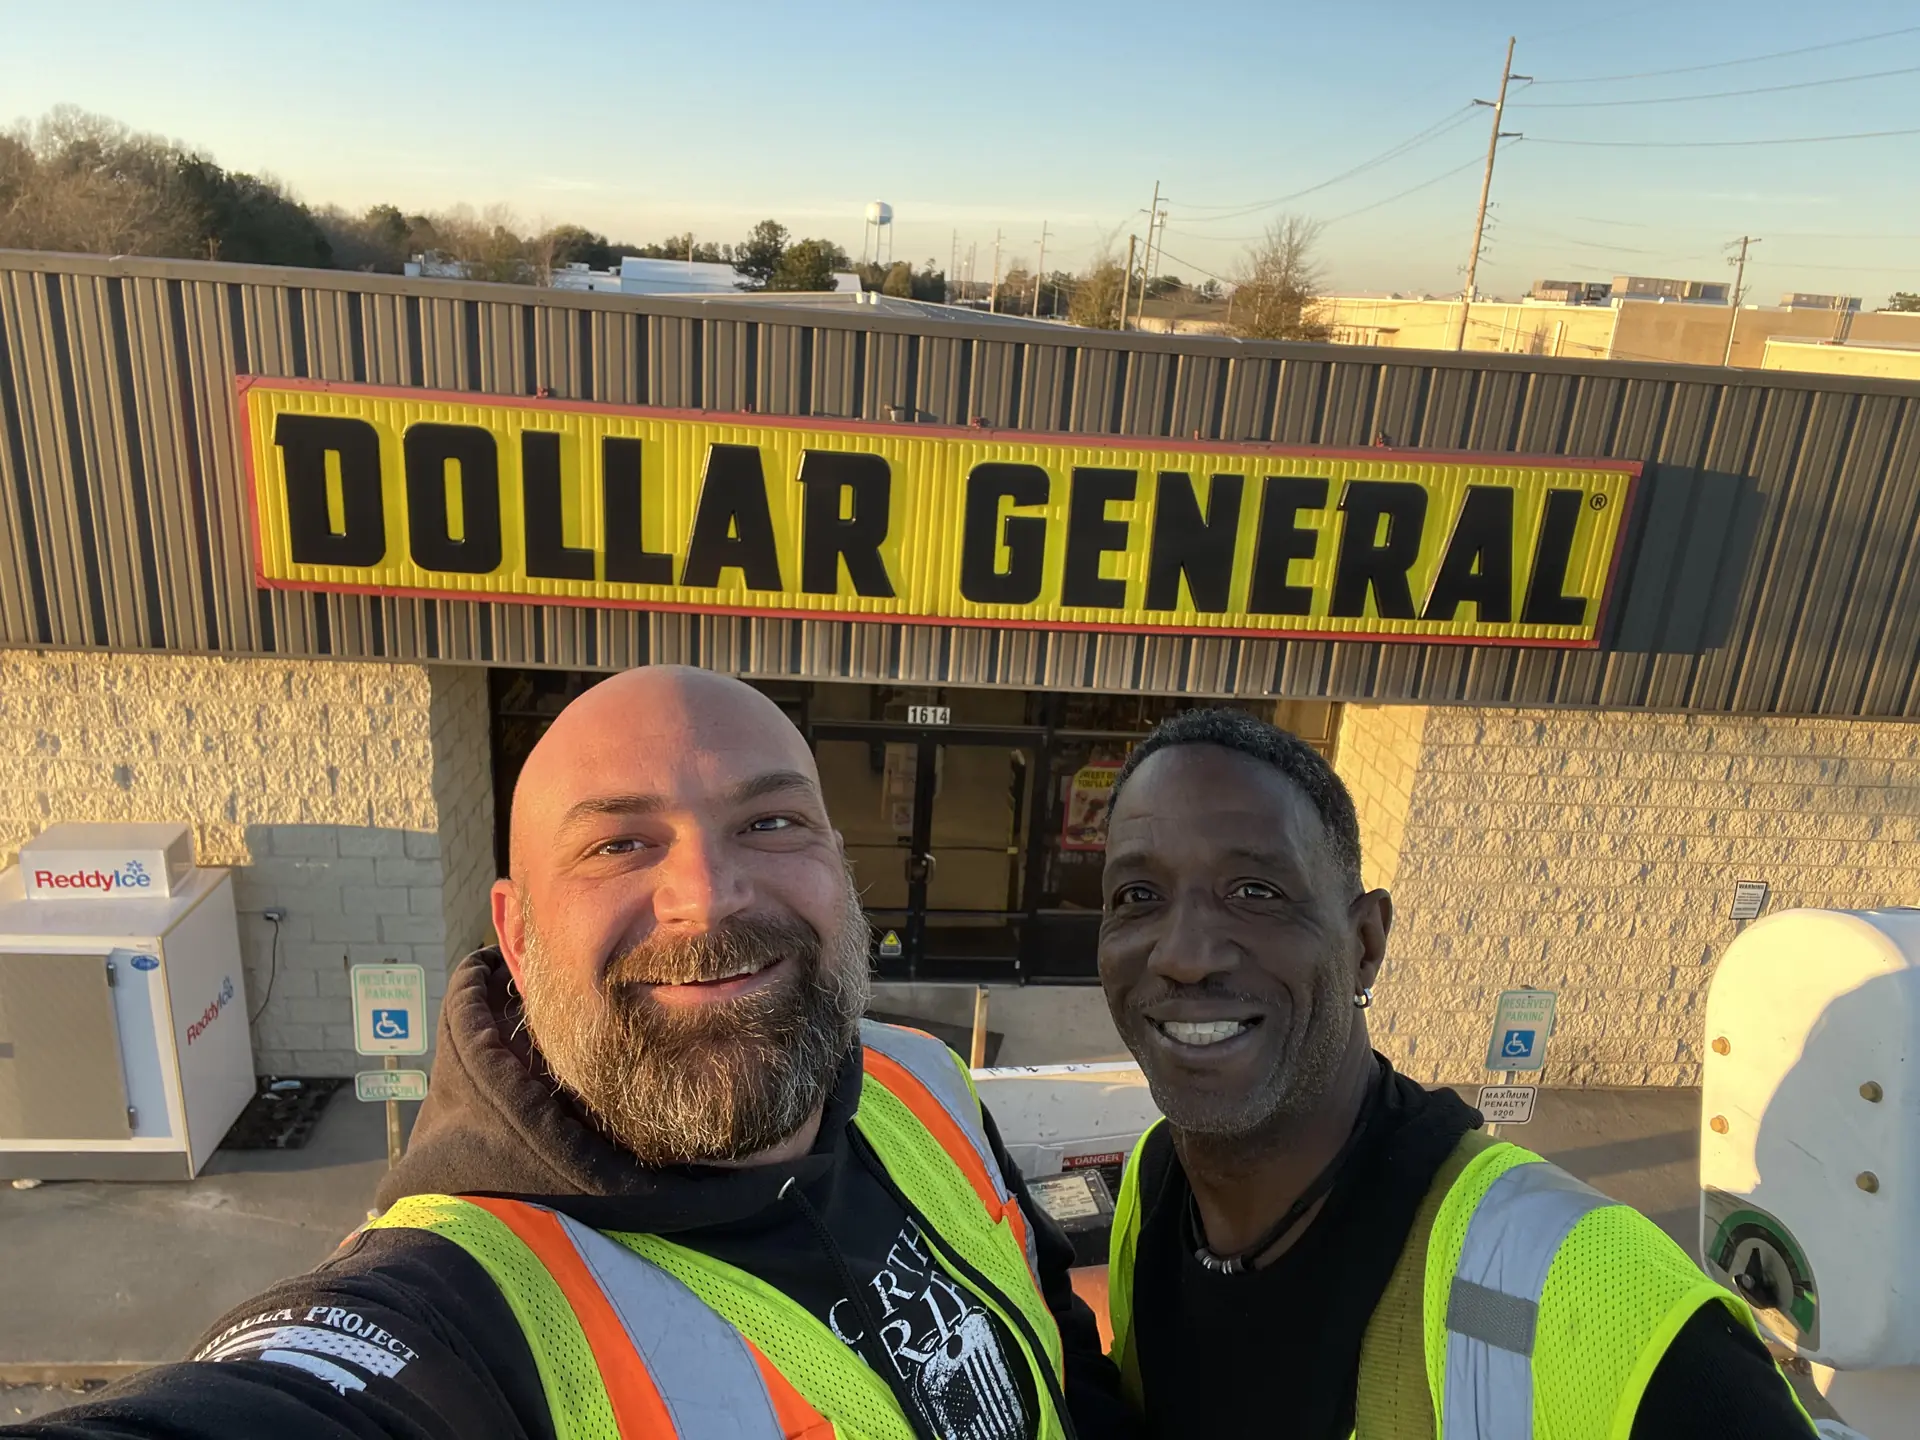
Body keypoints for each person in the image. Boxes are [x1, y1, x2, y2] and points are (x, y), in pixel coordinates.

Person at [13, 667, 1130, 1440]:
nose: (707, 894)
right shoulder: (458, 1299)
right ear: (514, 930)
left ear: (841, 867)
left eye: (772, 823)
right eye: (620, 843)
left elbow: (1056, 1345)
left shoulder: (919, 1082)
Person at [1097, 708, 1816, 1440]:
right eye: (1137, 896)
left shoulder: (1578, 1289)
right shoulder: (1156, 1184)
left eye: (1255, 891)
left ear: (1366, 944)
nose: (1182, 955)